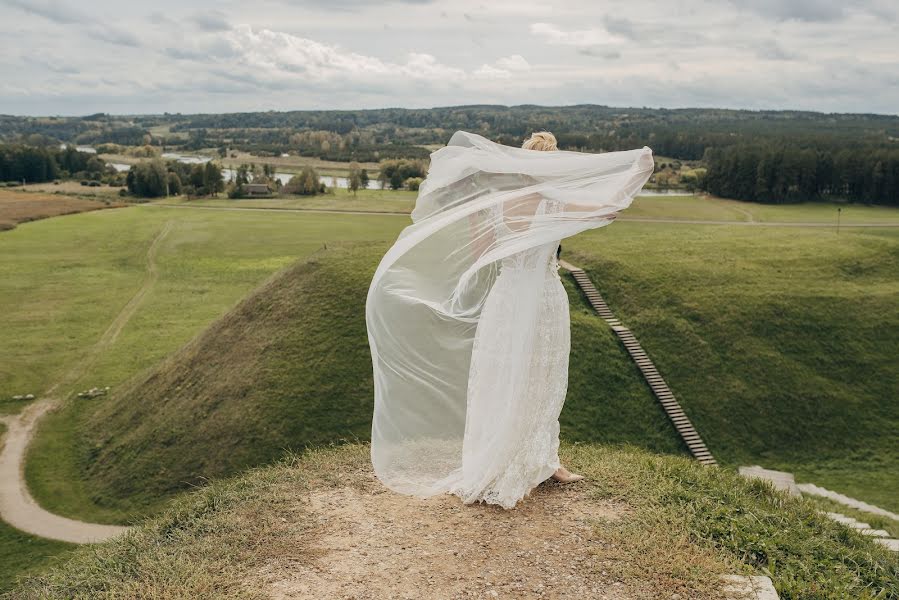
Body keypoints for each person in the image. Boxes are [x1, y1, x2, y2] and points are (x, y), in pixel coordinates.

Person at [366, 130, 653, 509]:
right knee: (539, 379)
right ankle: (534, 464)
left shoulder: (493, 206)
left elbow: (482, 252)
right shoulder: (555, 205)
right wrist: (639, 170)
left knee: (502, 378)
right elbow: (610, 209)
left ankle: (531, 461)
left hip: (506, 297)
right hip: (543, 298)